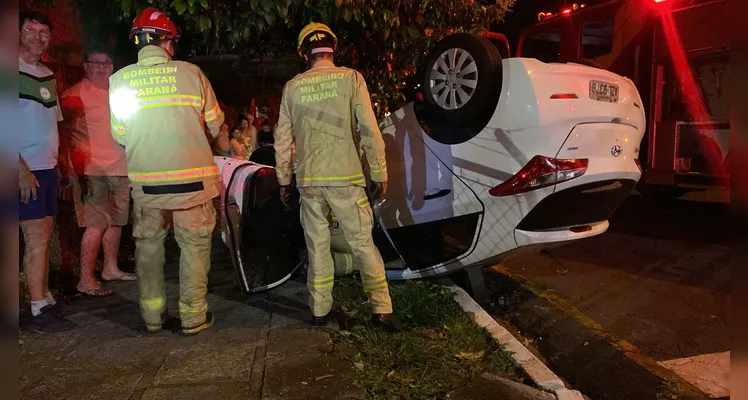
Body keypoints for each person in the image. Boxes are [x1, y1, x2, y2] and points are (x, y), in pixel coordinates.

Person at [274, 22, 400, 332]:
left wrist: (282, 180)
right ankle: (381, 311)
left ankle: (319, 311)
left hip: (309, 182)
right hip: (346, 179)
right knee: (363, 245)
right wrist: (379, 172)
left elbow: (281, 139)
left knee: (317, 246)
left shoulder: (293, 87)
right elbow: (370, 130)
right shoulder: (351, 79)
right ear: (333, 48)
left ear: (305, 53)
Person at [109, 7, 225, 335]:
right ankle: (193, 317)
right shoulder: (191, 74)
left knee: (148, 247)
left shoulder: (118, 81)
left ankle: (152, 317)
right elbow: (215, 126)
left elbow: (120, 134)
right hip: (193, 182)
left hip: (147, 185)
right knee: (194, 246)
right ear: (168, 42)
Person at [59, 47, 134, 298]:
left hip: (121, 168)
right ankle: (85, 279)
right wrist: (66, 166)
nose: (102, 67)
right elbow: (63, 133)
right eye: (96, 62)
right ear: (86, 66)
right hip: (93, 171)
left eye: (107, 63)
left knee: (116, 221)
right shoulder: (75, 94)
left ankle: (110, 269)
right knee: (95, 224)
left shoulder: (117, 93)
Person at [18, 11, 75, 332]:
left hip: (47, 166)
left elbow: (53, 123)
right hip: (24, 169)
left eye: (44, 32)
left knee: (44, 232)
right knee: (36, 236)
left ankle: (43, 295)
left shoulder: (48, 75)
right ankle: (38, 307)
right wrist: (20, 169)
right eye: (30, 29)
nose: (38, 36)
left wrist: (62, 161)